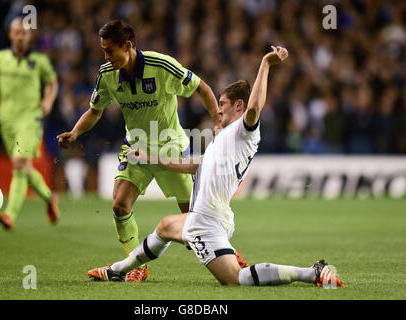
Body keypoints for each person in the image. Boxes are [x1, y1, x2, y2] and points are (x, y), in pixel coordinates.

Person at [87, 46, 345, 288]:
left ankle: (311, 273)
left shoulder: (244, 131)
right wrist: (151, 158)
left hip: (207, 222)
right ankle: (118, 269)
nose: (217, 111)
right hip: (208, 216)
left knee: (235, 279)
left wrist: (266, 64)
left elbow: (255, 106)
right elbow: (193, 166)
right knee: (165, 226)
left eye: (222, 105)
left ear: (238, 106)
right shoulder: (223, 138)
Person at [57, 19, 250, 282]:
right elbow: (95, 111)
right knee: (119, 205)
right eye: (103, 50)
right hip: (136, 148)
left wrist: (218, 123)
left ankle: (231, 254)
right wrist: (75, 132)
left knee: (193, 219)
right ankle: (135, 265)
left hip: (171, 148)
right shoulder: (107, 75)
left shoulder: (162, 66)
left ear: (128, 46)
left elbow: (202, 88)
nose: (106, 56)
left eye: (110, 50)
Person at [0, 17, 60, 230]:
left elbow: (52, 83)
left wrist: (47, 101)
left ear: (29, 36)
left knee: (19, 165)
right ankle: (50, 198)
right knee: (25, 167)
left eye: (24, 33)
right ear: (10, 35)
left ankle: (9, 214)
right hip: (7, 121)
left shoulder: (39, 60)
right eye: (16, 32)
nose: (20, 36)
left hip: (30, 120)